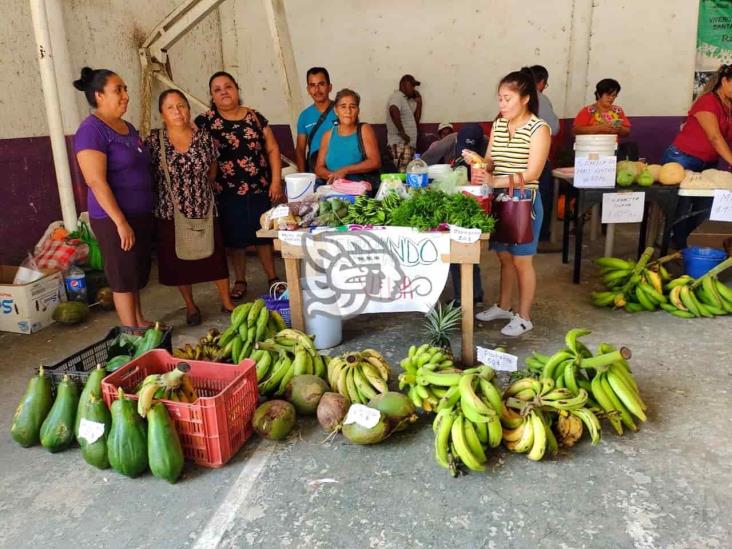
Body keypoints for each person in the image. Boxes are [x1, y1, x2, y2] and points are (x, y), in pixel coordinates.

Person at [463, 68, 551, 336]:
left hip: (524, 202)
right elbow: (493, 161)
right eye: (500, 99)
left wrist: (494, 182)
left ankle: (524, 316)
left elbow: (533, 173)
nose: (502, 104)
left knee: (522, 260)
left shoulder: (539, 129)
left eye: (507, 98)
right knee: (503, 257)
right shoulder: (499, 124)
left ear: (525, 98)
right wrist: (479, 161)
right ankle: (503, 305)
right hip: (500, 200)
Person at [73, 67, 154, 329]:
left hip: (139, 213)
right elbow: (95, 180)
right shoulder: (91, 130)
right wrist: (120, 221)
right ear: (99, 95)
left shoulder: (127, 127)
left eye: (125, 89)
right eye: (118, 90)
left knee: (135, 273)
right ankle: (131, 331)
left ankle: (140, 320)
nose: (125, 95)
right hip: (113, 217)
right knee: (122, 276)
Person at [146, 89, 234, 326]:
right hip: (170, 210)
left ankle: (226, 301)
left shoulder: (204, 137)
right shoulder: (155, 141)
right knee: (179, 264)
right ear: (162, 114)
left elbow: (213, 165)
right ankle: (191, 306)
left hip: (204, 205)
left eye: (182, 106)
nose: (178, 112)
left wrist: (204, 185)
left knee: (215, 259)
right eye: (171, 107)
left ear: (189, 109)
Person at [195, 71, 284, 300]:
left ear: (237, 90)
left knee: (263, 234)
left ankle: (272, 277)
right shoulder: (205, 122)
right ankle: (241, 279)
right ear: (212, 97)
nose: (224, 91)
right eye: (217, 89)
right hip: (226, 192)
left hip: (259, 187)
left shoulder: (254, 117)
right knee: (235, 240)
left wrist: (275, 181)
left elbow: (273, 149)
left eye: (228, 86)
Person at [661, 64, 732, 249]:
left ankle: (681, 244)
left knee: (704, 210)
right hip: (682, 159)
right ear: (725, 80)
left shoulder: (729, 107)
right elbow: (715, 137)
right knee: (680, 209)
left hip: (708, 163)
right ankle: (674, 248)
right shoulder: (707, 102)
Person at [314, 88, 381, 185]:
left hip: (358, 189)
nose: (348, 111)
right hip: (332, 188)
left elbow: (375, 162)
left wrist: (345, 170)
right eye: (343, 107)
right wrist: (335, 177)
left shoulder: (364, 129)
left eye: (352, 107)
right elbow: (319, 168)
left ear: (358, 110)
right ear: (336, 110)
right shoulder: (328, 135)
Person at [530, 65, 559, 244]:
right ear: (541, 82)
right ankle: (541, 235)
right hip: (537, 157)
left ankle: (518, 234)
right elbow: (554, 128)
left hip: (514, 160)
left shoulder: (514, 98)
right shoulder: (540, 98)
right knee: (543, 195)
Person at [294, 67, 337, 172]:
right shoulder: (304, 116)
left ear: (329, 87)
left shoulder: (343, 110)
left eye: (321, 84)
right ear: (308, 89)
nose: (317, 90)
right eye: (312, 85)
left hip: (341, 170)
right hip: (316, 172)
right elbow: (300, 149)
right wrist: (303, 175)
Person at [386, 74, 422, 171]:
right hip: (400, 145)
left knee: (407, 174)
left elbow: (415, 121)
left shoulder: (405, 100)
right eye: (412, 85)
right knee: (402, 174)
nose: (414, 89)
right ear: (403, 85)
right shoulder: (397, 96)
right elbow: (393, 109)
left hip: (407, 145)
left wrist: (419, 103)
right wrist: (402, 132)